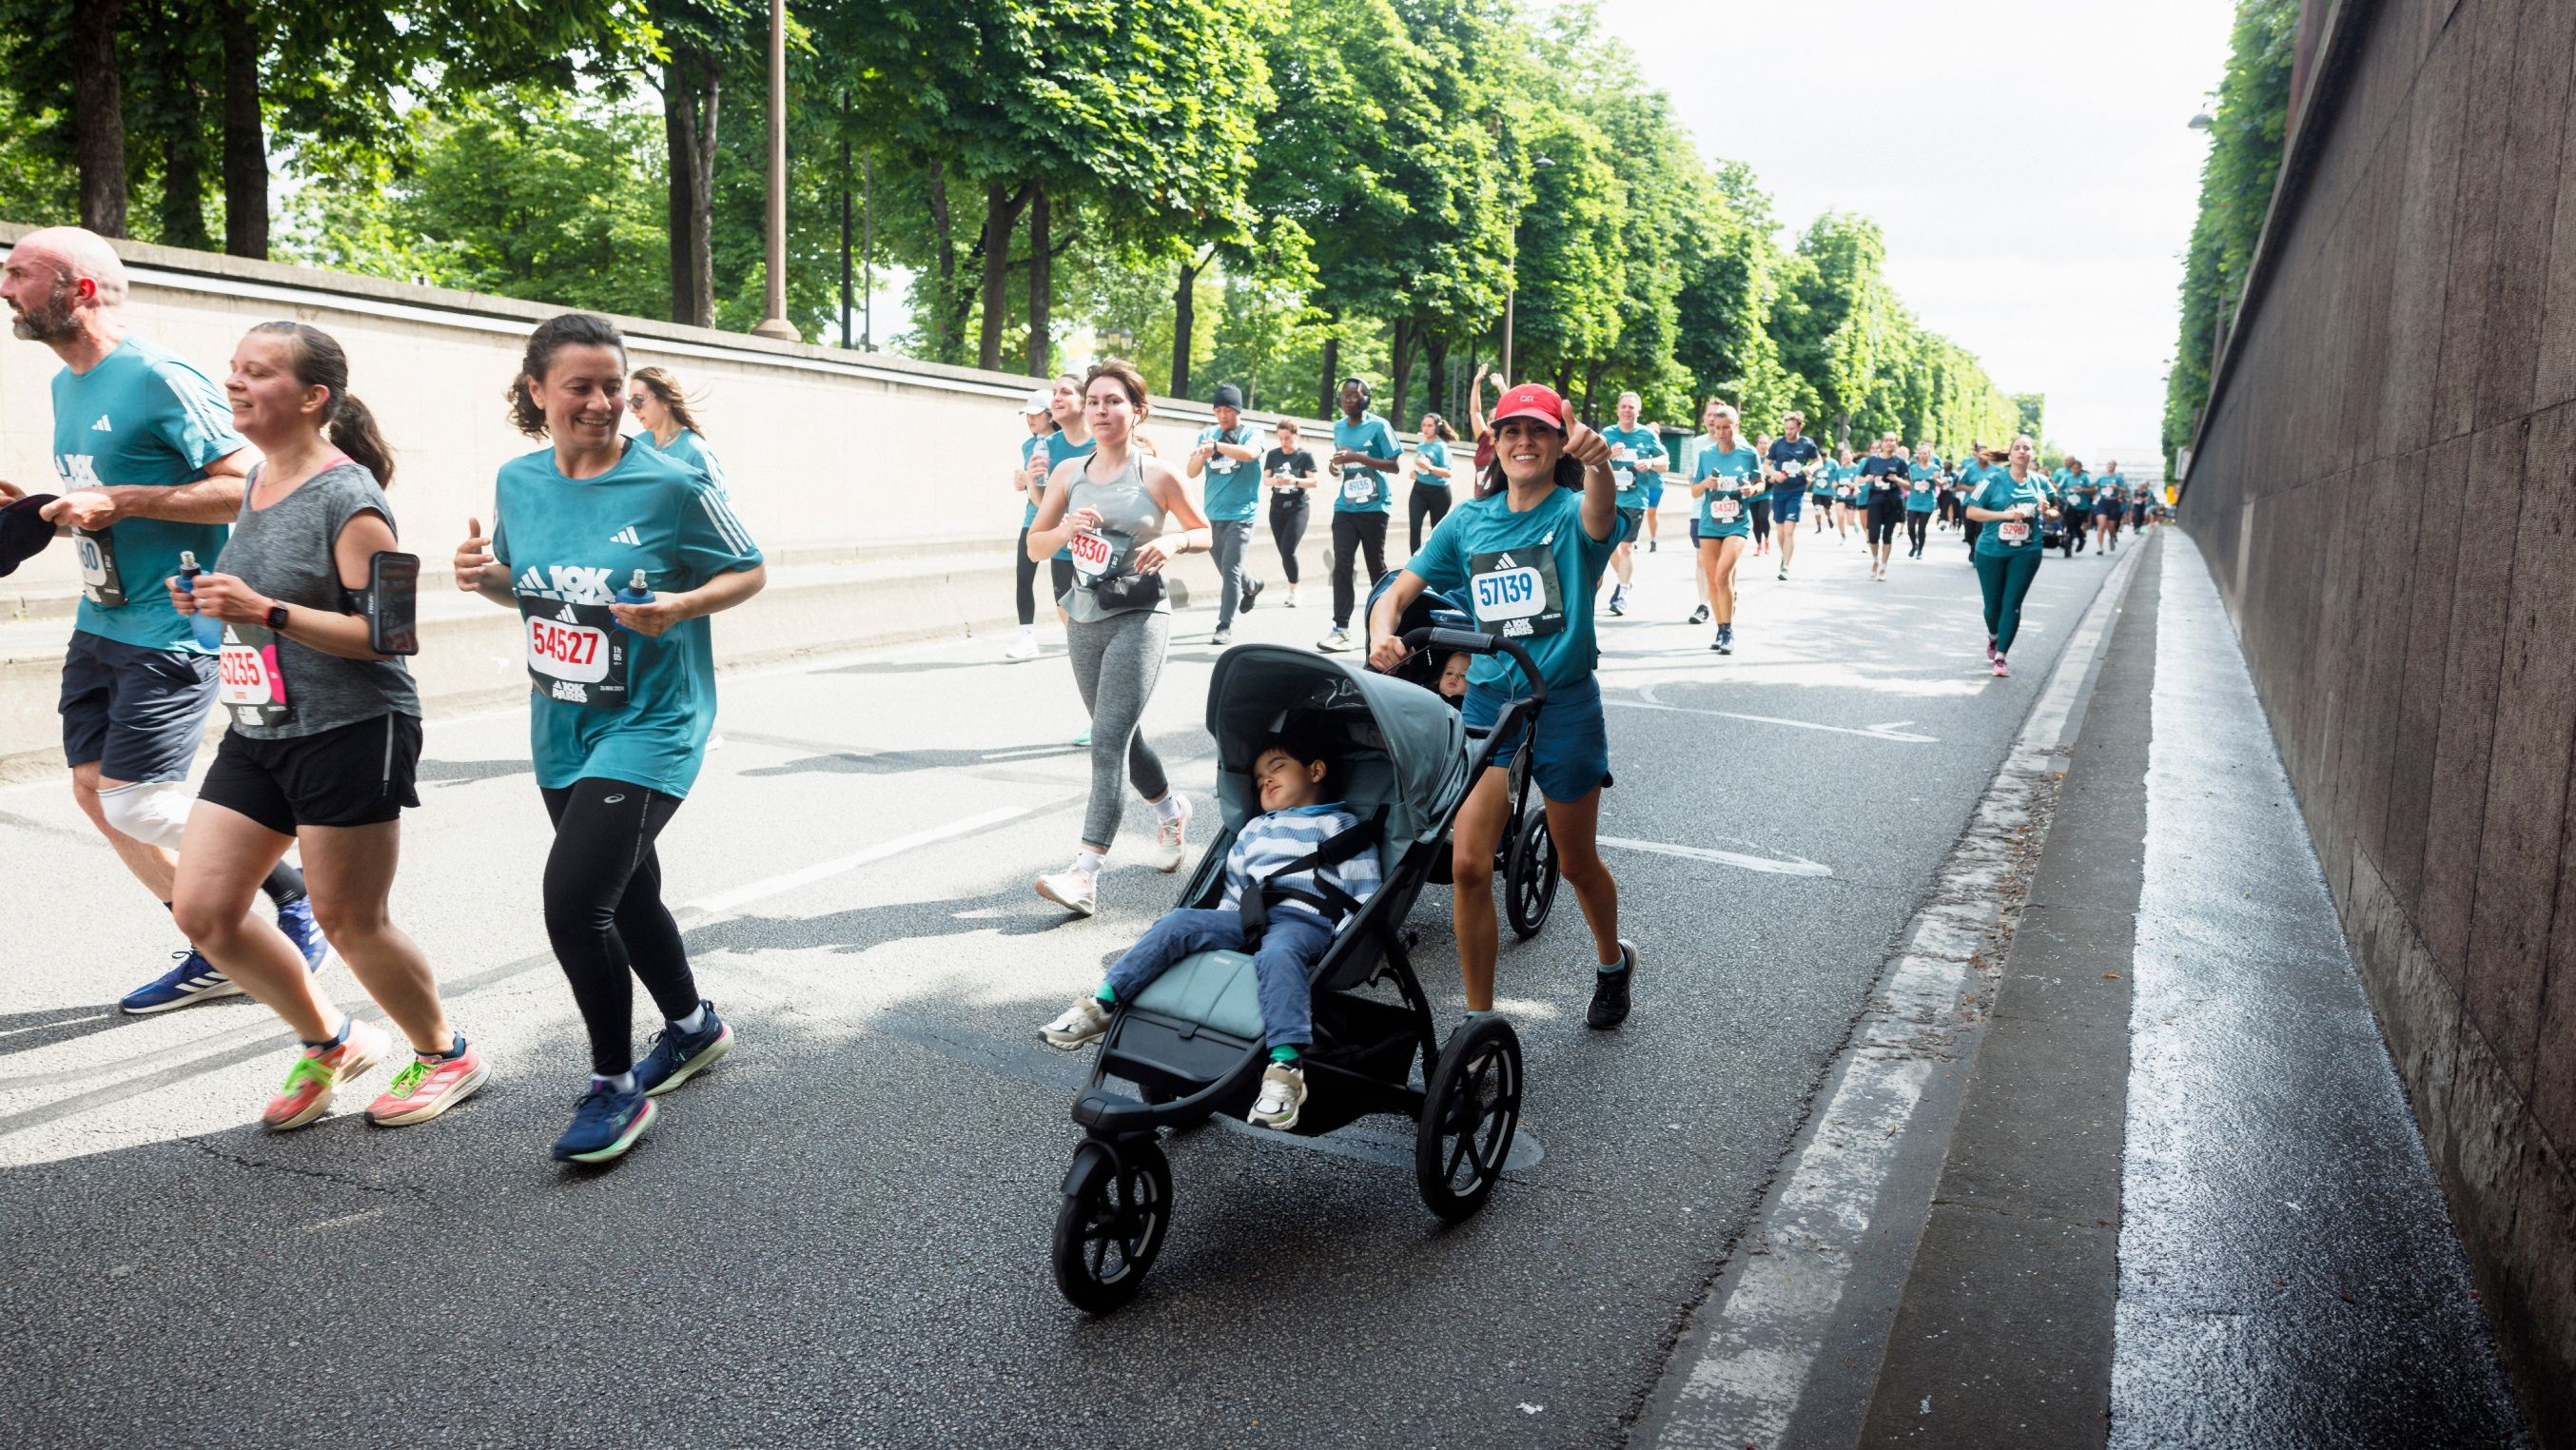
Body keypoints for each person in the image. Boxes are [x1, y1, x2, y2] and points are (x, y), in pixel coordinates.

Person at [452, 312, 767, 1164]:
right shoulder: (517, 481)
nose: (600, 403)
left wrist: (682, 606)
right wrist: (489, 579)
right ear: (537, 392)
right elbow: (536, 592)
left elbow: (751, 569)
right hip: (563, 721)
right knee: (626, 893)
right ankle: (695, 1027)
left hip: (654, 722)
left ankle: (613, 1087)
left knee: (573, 903)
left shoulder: (669, 485)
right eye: (579, 387)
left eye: (612, 387)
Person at [0, 225, 327, 1015]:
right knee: (91, 790)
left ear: (77, 290)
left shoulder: (156, 376)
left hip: (173, 622)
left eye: (19, 273)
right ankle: (218, 942)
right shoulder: (65, 385)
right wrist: (41, 507)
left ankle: (298, 892)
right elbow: (111, 491)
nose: (5, 287)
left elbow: (249, 482)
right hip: (102, 614)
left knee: (135, 800)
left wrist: (124, 501)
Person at [165, 322, 484, 1129]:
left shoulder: (351, 500)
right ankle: (331, 1041)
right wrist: (215, 603)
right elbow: (262, 610)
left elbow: (390, 637)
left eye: (258, 373)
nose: (235, 384)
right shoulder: (257, 481)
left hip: (351, 727)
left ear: (312, 399)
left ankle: (446, 1052)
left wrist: (264, 608)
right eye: (232, 369)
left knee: (349, 919)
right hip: (262, 722)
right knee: (203, 911)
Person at [1366, 382, 1638, 1031]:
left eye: (1539, 432)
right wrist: (1382, 630)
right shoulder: (1468, 520)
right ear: (1495, 442)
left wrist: (1599, 464)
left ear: (1555, 444)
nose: (1524, 442)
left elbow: (1602, 513)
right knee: (1466, 864)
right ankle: (1478, 1019)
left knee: (1575, 862)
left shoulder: (1572, 511)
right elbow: (1398, 591)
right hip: (1490, 698)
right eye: (1512, 431)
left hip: (1563, 702)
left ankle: (1611, 961)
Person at [1038, 724, 1382, 1130]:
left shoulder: (1340, 827)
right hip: (1248, 916)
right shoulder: (1254, 828)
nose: (1266, 780)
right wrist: (1219, 933)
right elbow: (1236, 887)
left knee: (1279, 952)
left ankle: (1286, 1068)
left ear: (1316, 770)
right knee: (1181, 922)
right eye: (1258, 778)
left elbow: (1365, 894)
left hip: (1305, 919)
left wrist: (1344, 943)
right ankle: (1103, 1004)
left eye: (1278, 767)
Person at [1025, 359, 1214, 916]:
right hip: (1083, 618)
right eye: (1096, 401)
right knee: (1124, 739)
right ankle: (1171, 809)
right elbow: (1037, 546)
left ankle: (1084, 873)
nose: (1102, 410)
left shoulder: (1157, 474)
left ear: (1137, 412)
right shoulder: (1067, 474)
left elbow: (1201, 529)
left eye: (1114, 402)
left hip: (1140, 617)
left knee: (1106, 743)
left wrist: (1174, 545)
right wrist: (1065, 530)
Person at [1316, 377, 1400, 652]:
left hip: (1375, 507)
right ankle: (1340, 629)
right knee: (1342, 566)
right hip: (1345, 507)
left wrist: (1358, 457)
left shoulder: (1379, 425)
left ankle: (1387, 624)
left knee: (1376, 567)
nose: (1348, 400)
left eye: (1354, 395)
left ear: (1365, 398)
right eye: (1344, 396)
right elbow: (1341, 464)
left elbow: (1394, 466)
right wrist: (1335, 466)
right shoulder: (1339, 427)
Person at [1962, 435, 2057, 679]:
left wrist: (2048, 511)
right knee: (1992, 607)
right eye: (2017, 447)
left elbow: (2055, 511)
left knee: (2012, 605)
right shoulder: (1991, 480)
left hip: (2027, 550)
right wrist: (2004, 516)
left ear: (2032, 454)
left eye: (2027, 448)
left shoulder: (2042, 483)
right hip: (1991, 551)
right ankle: (1994, 636)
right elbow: (1971, 511)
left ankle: (2001, 656)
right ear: (2011, 453)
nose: (2022, 451)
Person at [1187, 382, 1264, 646]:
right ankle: (1252, 584)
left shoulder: (1252, 433)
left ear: (1237, 409)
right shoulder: (1207, 434)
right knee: (1226, 568)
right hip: (1210, 515)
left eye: (1227, 410)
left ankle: (1224, 626)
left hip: (1241, 514)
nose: (1222, 415)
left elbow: (1250, 455)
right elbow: (1191, 471)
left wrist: (1218, 447)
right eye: (1217, 410)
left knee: (1230, 570)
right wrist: (1202, 454)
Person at [1688, 402, 1762, 655]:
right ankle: (1720, 630)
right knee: (1712, 579)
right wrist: (1706, 483)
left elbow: (1761, 482)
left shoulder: (1748, 453)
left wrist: (1752, 489)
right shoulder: (1707, 454)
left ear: (1735, 427)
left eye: (1726, 428)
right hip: (1710, 523)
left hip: (1738, 523)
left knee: (1722, 575)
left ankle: (1728, 630)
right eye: (1717, 428)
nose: (1721, 432)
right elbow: (1694, 490)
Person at [1597, 391, 1665, 617]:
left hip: (1635, 499)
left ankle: (1622, 592)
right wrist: (1606, 453)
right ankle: (1625, 579)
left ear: (1638, 411)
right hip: (1608, 497)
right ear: (1618, 410)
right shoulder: (1607, 433)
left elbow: (1665, 462)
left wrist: (1650, 461)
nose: (1627, 410)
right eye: (1624, 406)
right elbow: (1588, 459)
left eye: (1632, 407)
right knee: (1608, 547)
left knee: (1626, 546)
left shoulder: (1646, 435)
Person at [627, 367, 729, 498]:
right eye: (629, 402)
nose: (632, 409)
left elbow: (720, 510)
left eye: (637, 400)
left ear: (665, 401)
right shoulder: (635, 446)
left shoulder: (696, 452)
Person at [1263, 418, 1318, 606]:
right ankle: (1294, 586)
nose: (1283, 442)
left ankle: (1295, 590)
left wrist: (1294, 481)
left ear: (1296, 435)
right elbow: (1266, 480)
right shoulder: (1273, 454)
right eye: (1280, 438)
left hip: (1298, 507)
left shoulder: (1305, 456)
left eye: (1287, 438)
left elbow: (1314, 481)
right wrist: (1276, 481)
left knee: (1288, 549)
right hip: (1277, 508)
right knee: (1283, 551)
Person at [1763, 418, 1817, 582]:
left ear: (1800, 427)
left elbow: (1818, 461)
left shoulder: (1807, 444)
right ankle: (1784, 555)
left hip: (1797, 491)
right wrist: (1774, 474)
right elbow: (1766, 465)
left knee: (1789, 530)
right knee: (1780, 532)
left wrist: (1811, 468)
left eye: (1792, 428)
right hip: (1780, 491)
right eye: (1786, 428)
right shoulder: (1778, 444)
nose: (1788, 432)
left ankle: (1786, 566)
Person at [1858, 431, 1910, 580]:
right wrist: (1868, 479)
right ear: (1882, 442)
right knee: (1873, 535)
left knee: (1887, 536)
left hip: (1893, 500)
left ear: (1896, 443)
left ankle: (1884, 567)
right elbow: (1861, 477)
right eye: (1886, 440)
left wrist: (1897, 479)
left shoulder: (1900, 462)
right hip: (1875, 499)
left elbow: (1909, 486)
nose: (1889, 443)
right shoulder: (1873, 460)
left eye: (1892, 440)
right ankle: (1875, 560)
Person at [1406, 412, 1457, 555]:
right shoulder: (1420, 445)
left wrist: (1429, 468)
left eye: (1429, 425)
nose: (1426, 428)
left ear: (1437, 427)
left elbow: (1448, 473)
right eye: (1423, 425)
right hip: (1419, 490)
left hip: (1439, 493)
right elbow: (1420, 468)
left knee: (1436, 532)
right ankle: (1414, 563)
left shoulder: (1441, 447)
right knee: (1415, 527)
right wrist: (1415, 473)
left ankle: (1434, 562)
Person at [1903, 442, 1941, 558]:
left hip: (1927, 501)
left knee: (1922, 527)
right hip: (1914, 500)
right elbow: (1908, 483)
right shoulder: (1912, 468)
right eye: (1921, 453)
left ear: (1929, 455)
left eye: (1925, 453)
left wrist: (1936, 480)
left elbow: (1941, 484)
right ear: (1918, 455)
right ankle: (1914, 545)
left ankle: (1920, 551)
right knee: (1910, 527)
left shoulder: (1935, 468)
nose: (1923, 455)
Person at [2094, 460, 2127, 553]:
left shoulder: (2118, 478)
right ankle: (2100, 547)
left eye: (2112, 464)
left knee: (2111, 528)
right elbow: (2094, 487)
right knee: (2102, 525)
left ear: (2115, 466)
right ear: (2106, 465)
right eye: (2109, 464)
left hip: (2114, 503)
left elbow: (2124, 490)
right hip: (2103, 502)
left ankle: (2112, 538)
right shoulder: (2101, 478)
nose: (2110, 466)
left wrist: (2117, 487)